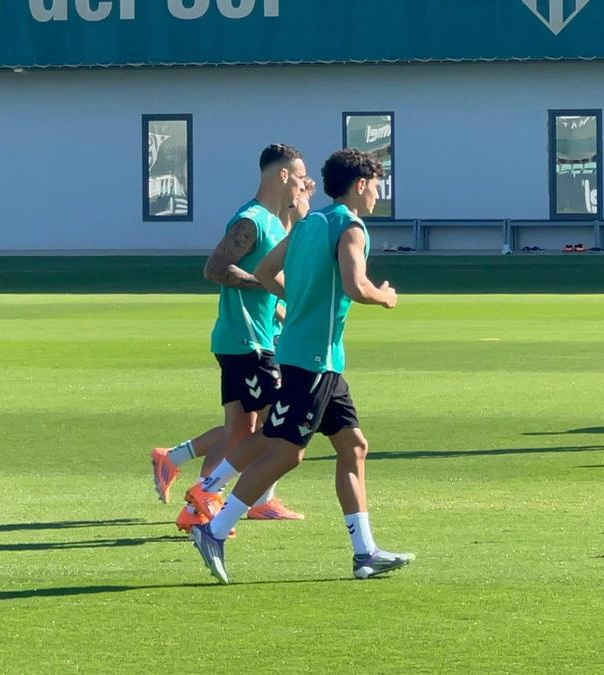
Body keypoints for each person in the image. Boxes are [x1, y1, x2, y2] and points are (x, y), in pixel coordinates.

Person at [188, 148, 415, 584]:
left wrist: (300, 303)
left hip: (317, 358)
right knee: (287, 452)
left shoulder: (310, 222)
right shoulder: (350, 227)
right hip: (313, 360)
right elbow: (356, 284)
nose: (378, 196)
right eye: (377, 187)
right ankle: (213, 530)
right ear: (361, 184)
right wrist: (384, 296)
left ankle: (364, 552)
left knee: (353, 446)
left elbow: (269, 271)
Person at [150, 144, 311, 532]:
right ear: (283, 175)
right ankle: (240, 498)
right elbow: (215, 268)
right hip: (246, 343)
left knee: (240, 431)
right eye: (300, 176)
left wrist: (280, 308)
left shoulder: (273, 222)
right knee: (279, 426)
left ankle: (197, 506)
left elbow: (263, 281)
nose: (305, 184)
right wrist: (267, 285)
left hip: (249, 338)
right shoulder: (251, 221)